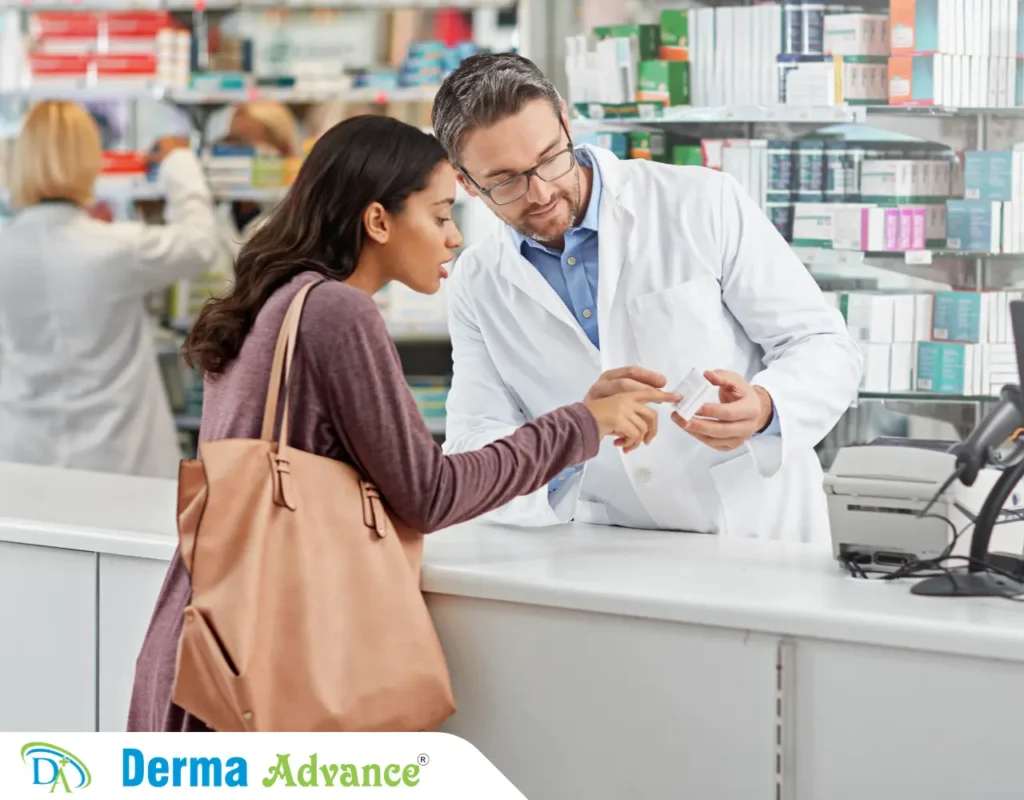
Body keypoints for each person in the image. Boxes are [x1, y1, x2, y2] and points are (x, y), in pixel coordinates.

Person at [127, 115, 676, 732]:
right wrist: (580, 426)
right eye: (441, 215)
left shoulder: (269, 302)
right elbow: (429, 495)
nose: (453, 240)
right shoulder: (338, 314)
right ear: (379, 220)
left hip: (203, 648)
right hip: (266, 669)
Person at [431, 53, 864, 543]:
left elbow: (822, 344)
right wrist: (572, 440)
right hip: (614, 546)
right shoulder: (477, 281)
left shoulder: (701, 201)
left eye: (550, 158)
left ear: (566, 123)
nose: (541, 192)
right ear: (465, 182)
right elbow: (474, 446)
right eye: (506, 181)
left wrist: (767, 406)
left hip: (755, 533)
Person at [0, 100, 219, 479]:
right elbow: (200, 243)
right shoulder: (116, 248)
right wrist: (178, 163)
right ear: (90, 161)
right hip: (119, 456)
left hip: (22, 454)